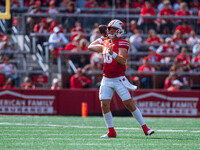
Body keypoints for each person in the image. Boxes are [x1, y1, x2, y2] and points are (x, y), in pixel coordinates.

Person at [88, 19, 154, 138]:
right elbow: (90, 47)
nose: (110, 31)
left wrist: (112, 53)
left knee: (129, 104)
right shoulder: (106, 42)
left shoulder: (123, 43)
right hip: (106, 79)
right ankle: (111, 131)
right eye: (109, 29)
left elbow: (122, 60)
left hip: (119, 79)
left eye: (112, 29)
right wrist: (102, 38)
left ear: (119, 31)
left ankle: (145, 128)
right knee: (104, 105)